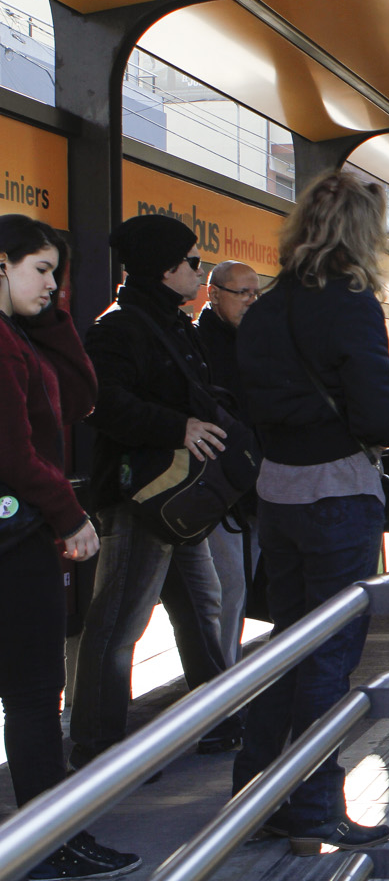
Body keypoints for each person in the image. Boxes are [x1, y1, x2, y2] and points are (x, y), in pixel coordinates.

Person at [233, 171, 389, 856]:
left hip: (277, 494)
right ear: (363, 233)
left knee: (289, 648)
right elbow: (373, 415)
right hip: (337, 492)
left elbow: (253, 404)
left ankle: (257, 794)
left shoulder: (267, 307)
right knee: (330, 659)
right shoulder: (351, 303)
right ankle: (313, 809)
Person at [0, 215, 140, 881]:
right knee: (33, 695)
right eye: (40, 270)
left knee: (31, 694)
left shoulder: (17, 336)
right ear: (0, 264)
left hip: (22, 534)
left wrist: (48, 316)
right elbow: (13, 452)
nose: (52, 285)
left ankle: (49, 834)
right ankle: (48, 840)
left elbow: (81, 398)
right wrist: (69, 514)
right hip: (18, 537)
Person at [71, 214, 230, 773]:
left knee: (200, 605)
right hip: (142, 497)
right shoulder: (119, 325)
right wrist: (178, 427)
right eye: (193, 262)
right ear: (165, 269)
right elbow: (102, 403)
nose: (200, 271)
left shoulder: (171, 320)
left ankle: (217, 718)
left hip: (177, 496)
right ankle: (99, 749)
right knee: (118, 626)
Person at [192, 260, 260, 672]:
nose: (252, 302)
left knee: (240, 585)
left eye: (257, 293)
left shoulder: (257, 341)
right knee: (226, 585)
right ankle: (220, 686)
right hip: (217, 487)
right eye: (243, 293)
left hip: (255, 484)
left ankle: (227, 677)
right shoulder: (200, 342)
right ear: (213, 293)